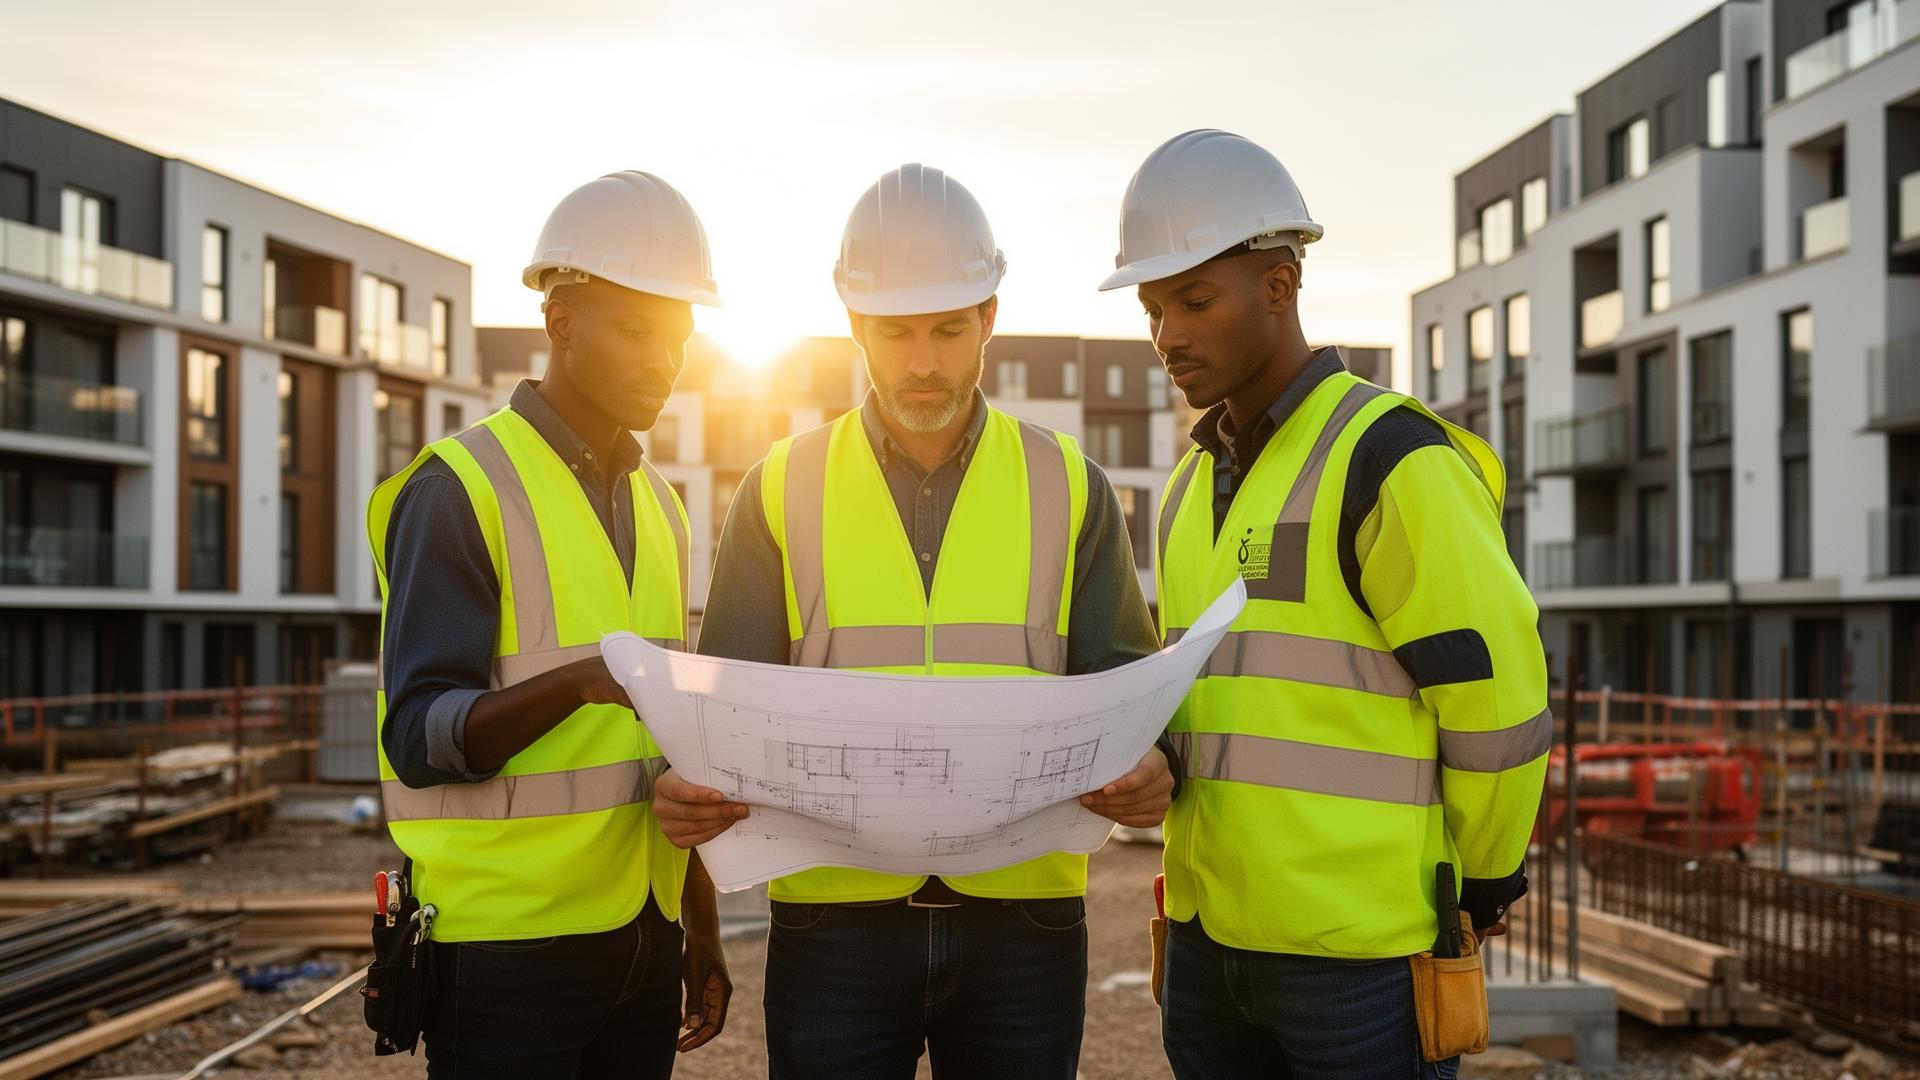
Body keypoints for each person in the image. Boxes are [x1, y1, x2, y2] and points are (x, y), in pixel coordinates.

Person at [654, 163, 1178, 1079]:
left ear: (989, 321)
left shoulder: (1070, 485)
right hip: (834, 928)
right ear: (855, 328)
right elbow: (720, 718)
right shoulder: (779, 489)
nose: (924, 362)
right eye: (896, 333)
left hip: (1027, 926)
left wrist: (1149, 771)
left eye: (947, 329)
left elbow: (1128, 697)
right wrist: (687, 785)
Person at [1100, 129, 1549, 1079]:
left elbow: (1496, 701)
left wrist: (1474, 887)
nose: (1168, 335)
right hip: (1207, 943)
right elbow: (1205, 705)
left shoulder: (1388, 456)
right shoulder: (1188, 488)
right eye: (1152, 309)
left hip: (1363, 963)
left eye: (1193, 299)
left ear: (1279, 283)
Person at [368, 171, 731, 1078]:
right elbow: (416, 736)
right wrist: (574, 685)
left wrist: (700, 921)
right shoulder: (459, 489)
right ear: (560, 322)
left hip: (643, 938)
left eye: (679, 338)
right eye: (638, 330)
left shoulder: (660, 506)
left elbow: (667, 747)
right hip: (506, 956)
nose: (665, 362)